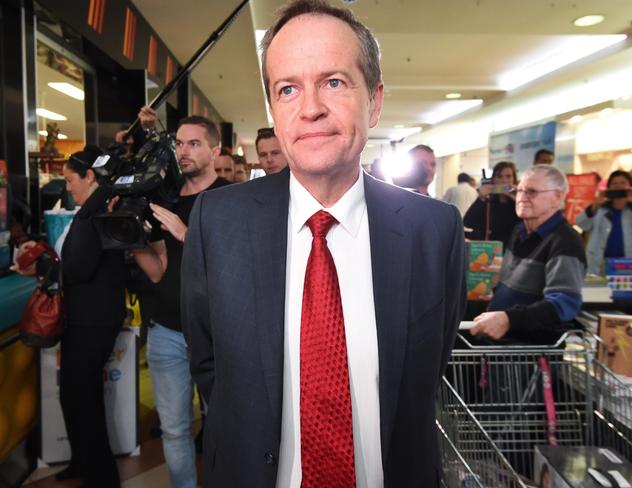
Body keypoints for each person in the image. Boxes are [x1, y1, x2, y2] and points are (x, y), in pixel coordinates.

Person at [181, 1, 466, 487]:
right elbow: (211, 366)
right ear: (273, 110)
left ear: (374, 101)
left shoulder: (433, 230)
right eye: (288, 88)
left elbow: (427, 367)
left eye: (334, 82)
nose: (310, 108)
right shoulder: (218, 221)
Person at [13, 148, 126, 487]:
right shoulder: (95, 206)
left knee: (82, 399)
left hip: (93, 320)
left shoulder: (99, 208)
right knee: (75, 397)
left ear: (89, 176)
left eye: (70, 179)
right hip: (86, 318)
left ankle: (101, 476)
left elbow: (78, 267)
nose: (67, 186)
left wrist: (43, 266)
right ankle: (83, 463)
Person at [131, 112, 231, 488]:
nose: (183, 151)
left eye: (194, 143)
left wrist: (185, 232)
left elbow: (234, 267)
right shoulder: (166, 200)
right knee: (173, 430)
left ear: (215, 149)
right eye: (178, 143)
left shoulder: (228, 198)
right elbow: (158, 270)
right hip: (166, 333)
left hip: (214, 334)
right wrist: (131, 238)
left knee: (220, 426)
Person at [470, 165, 586, 345]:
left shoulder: (565, 241)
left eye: (531, 192)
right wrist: (494, 292)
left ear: (557, 196)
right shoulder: (519, 230)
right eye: (520, 191)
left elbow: (564, 304)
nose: (521, 198)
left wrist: (509, 319)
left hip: (531, 356)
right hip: (501, 350)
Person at [575, 169, 632, 275]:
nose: (619, 186)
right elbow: (581, 223)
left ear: (631, 187)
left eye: (623, 183)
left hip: (631, 265)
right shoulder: (600, 209)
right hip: (601, 266)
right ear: (608, 188)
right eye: (614, 183)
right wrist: (595, 205)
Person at [464, 161, 521, 245]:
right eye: (499, 176)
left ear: (514, 179)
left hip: (515, 252)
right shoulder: (488, 203)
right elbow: (468, 222)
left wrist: (516, 198)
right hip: (491, 253)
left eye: (508, 176)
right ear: (493, 179)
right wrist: (481, 198)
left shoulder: (518, 202)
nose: (504, 180)